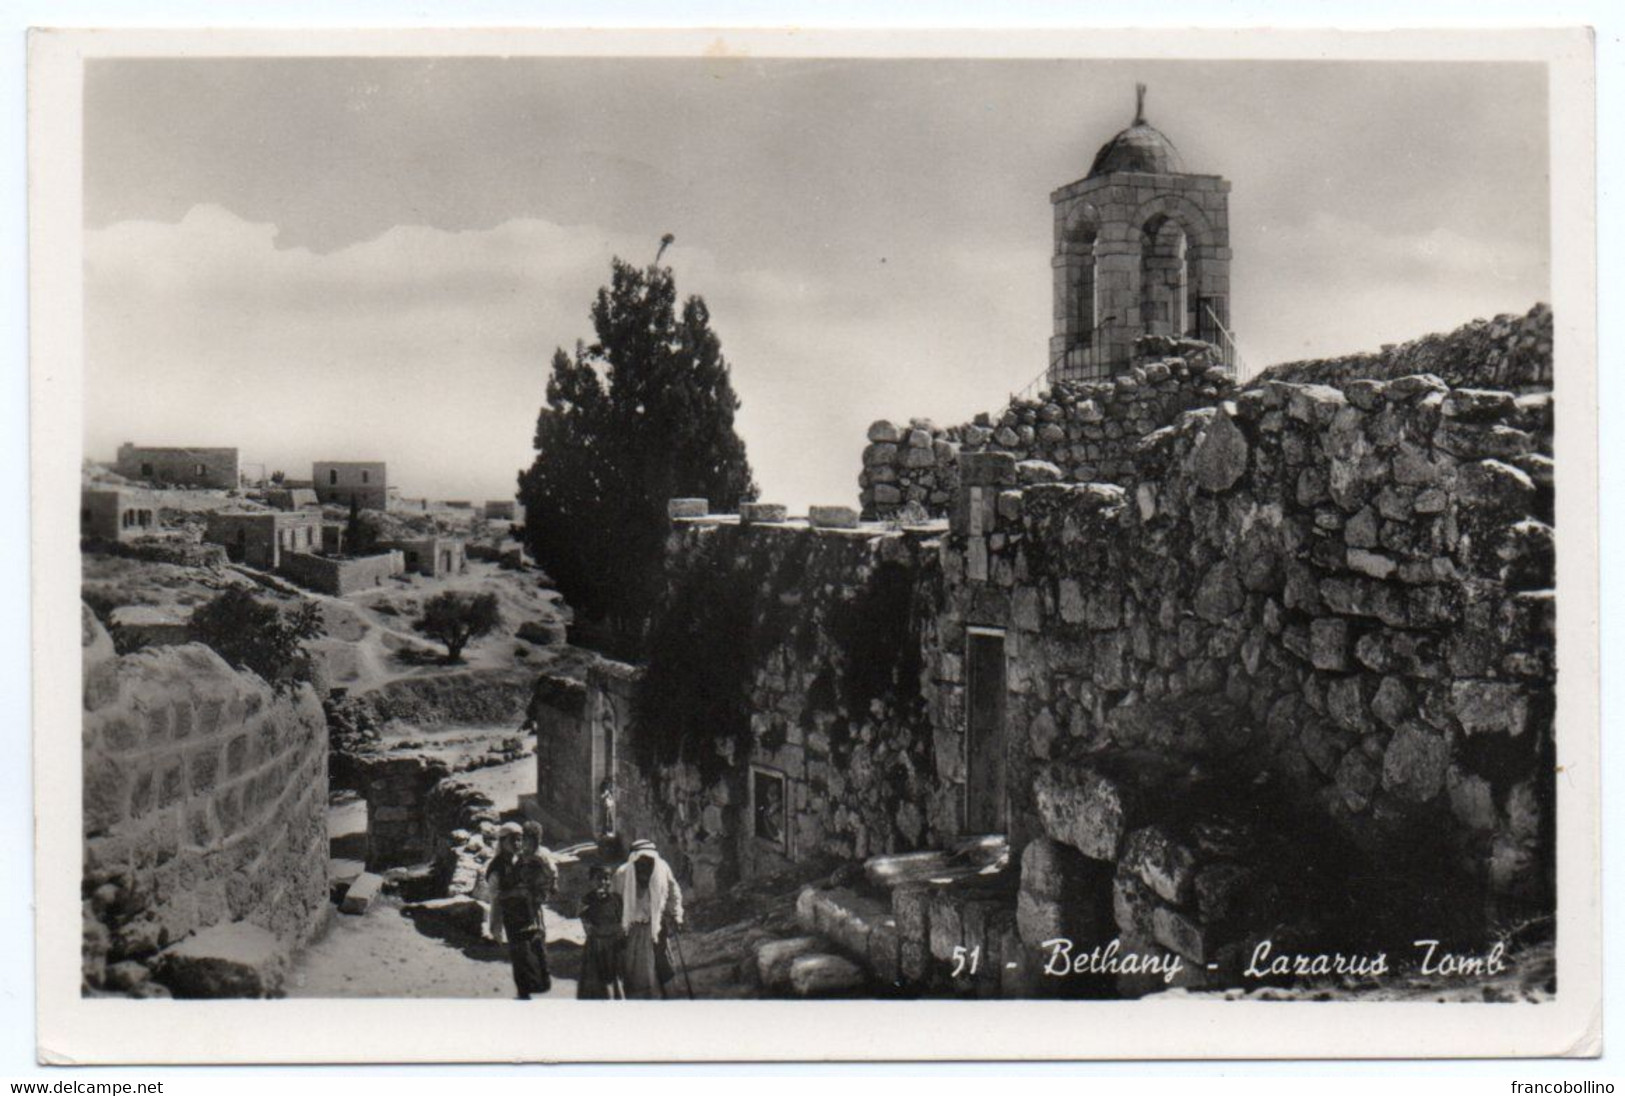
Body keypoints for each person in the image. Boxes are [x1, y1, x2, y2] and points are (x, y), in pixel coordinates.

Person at [484, 821, 555, 999]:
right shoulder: (497, 867)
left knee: (538, 951)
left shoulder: (523, 859)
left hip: (531, 912)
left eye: (519, 840)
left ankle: (536, 986)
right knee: (521, 956)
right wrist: (516, 892)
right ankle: (523, 995)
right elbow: (496, 896)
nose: (517, 844)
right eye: (512, 840)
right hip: (513, 917)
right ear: (502, 842)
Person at [614, 839, 683, 999]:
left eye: (649, 861)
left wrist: (676, 915)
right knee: (635, 972)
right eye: (640, 861)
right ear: (633, 860)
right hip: (632, 931)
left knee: (663, 966)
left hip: (657, 927)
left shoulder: (662, 869)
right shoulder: (622, 875)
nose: (645, 865)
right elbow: (615, 904)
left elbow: (674, 893)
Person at [576, 862, 626, 1000]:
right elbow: (587, 926)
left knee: (615, 978)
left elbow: (622, 922)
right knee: (597, 979)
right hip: (596, 946)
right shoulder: (586, 901)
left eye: (607, 878)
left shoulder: (616, 899)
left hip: (614, 946)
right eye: (599, 878)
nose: (603, 882)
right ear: (591, 880)